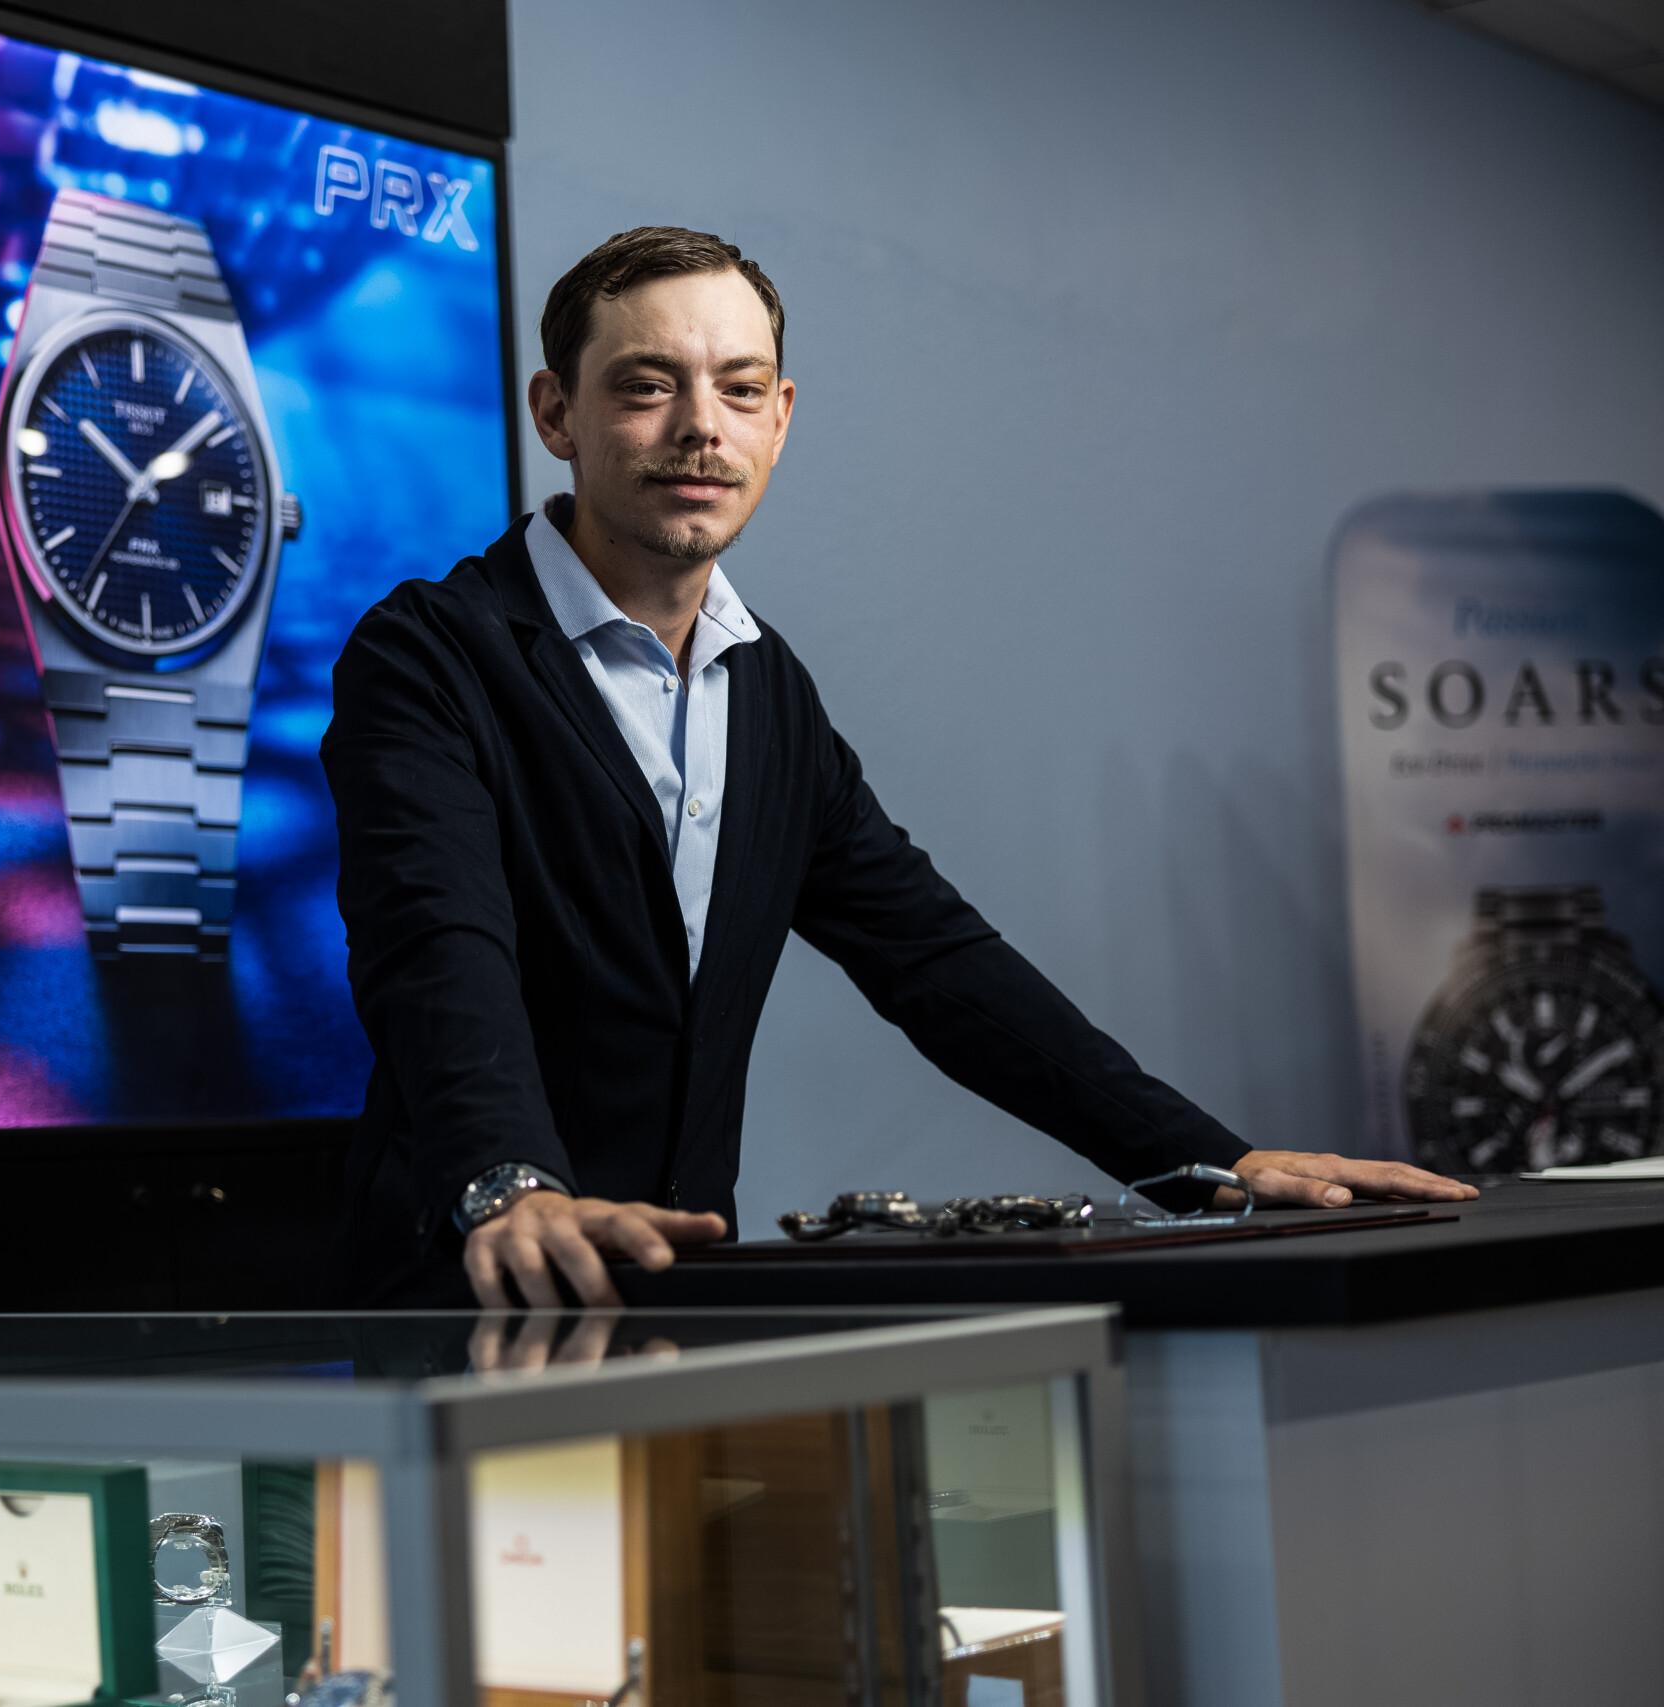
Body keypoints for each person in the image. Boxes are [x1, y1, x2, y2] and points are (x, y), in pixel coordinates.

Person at [320, 225, 1476, 1309]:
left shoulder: (768, 690)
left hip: (680, 1294)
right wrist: (509, 1183)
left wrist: (1203, 1162)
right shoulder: (430, 653)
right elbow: (435, 944)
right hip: (462, 1288)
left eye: (737, 387)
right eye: (645, 384)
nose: (698, 427)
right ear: (556, 412)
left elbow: (933, 958)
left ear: (779, 418)